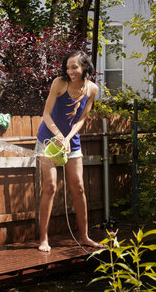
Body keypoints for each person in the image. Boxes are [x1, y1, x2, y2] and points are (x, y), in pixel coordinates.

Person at [35, 50, 102, 252]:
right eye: (68, 67)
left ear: (84, 68)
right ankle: (43, 239)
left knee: (79, 187)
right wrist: (58, 136)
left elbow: (82, 118)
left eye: (74, 67)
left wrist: (69, 138)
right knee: (50, 187)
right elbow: (46, 114)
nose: (70, 71)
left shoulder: (92, 89)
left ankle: (84, 237)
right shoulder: (59, 83)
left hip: (71, 142)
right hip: (48, 139)